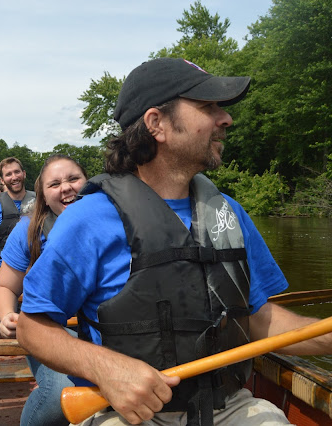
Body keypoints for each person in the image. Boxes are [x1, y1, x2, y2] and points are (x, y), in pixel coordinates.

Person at [17, 57, 332, 426]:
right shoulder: (89, 219)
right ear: (156, 123)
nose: (226, 119)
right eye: (208, 107)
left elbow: (258, 319)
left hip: (227, 407)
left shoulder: (229, 213)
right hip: (127, 412)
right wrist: (105, 368)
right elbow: (31, 328)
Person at [0, 154, 87, 426]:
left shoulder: (112, 220)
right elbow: (5, 286)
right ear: (43, 195)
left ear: (87, 182)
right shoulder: (29, 230)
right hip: (47, 328)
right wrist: (6, 315)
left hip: (102, 328)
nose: (66, 188)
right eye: (54, 184)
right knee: (60, 392)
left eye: (73, 179)